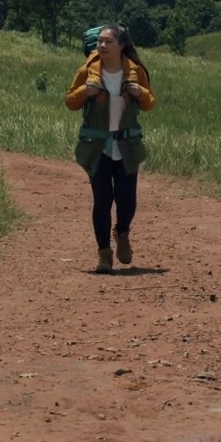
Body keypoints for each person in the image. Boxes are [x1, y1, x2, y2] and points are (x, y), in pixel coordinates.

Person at [64, 24, 156, 274]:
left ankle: (122, 233)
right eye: (100, 42)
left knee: (127, 197)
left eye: (108, 42)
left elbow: (149, 104)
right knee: (102, 200)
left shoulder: (135, 71)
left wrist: (140, 92)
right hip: (97, 147)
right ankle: (104, 254)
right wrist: (85, 90)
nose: (102, 46)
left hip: (127, 145)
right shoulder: (87, 71)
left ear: (121, 45)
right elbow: (70, 102)